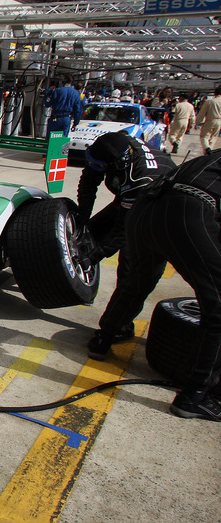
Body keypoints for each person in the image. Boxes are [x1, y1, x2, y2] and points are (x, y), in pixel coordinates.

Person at [89, 150, 221, 421]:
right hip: (188, 210)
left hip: (147, 206)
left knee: (137, 282)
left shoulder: (212, 158)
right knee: (218, 306)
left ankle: (104, 338)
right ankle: (196, 395)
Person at [78, 132, 175, 272]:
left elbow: (122, 230)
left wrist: (94, 256)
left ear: (118, 164)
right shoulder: (114, 145)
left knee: (129, 262)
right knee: (91, 230)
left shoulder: (139, 180)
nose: (94, 167)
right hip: (131, 196)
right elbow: (89, 181)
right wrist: (83, 213)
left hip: (160, 210)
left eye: (99, 165)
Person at [196, 85, 221, 154]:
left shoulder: (210, 101)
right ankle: (209, 151)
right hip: (219, 121)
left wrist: (198, 122)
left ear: (215, 93)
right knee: (214, 137)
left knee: (204, 137)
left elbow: (202, 113)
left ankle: (207, 148)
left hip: (210, 120)